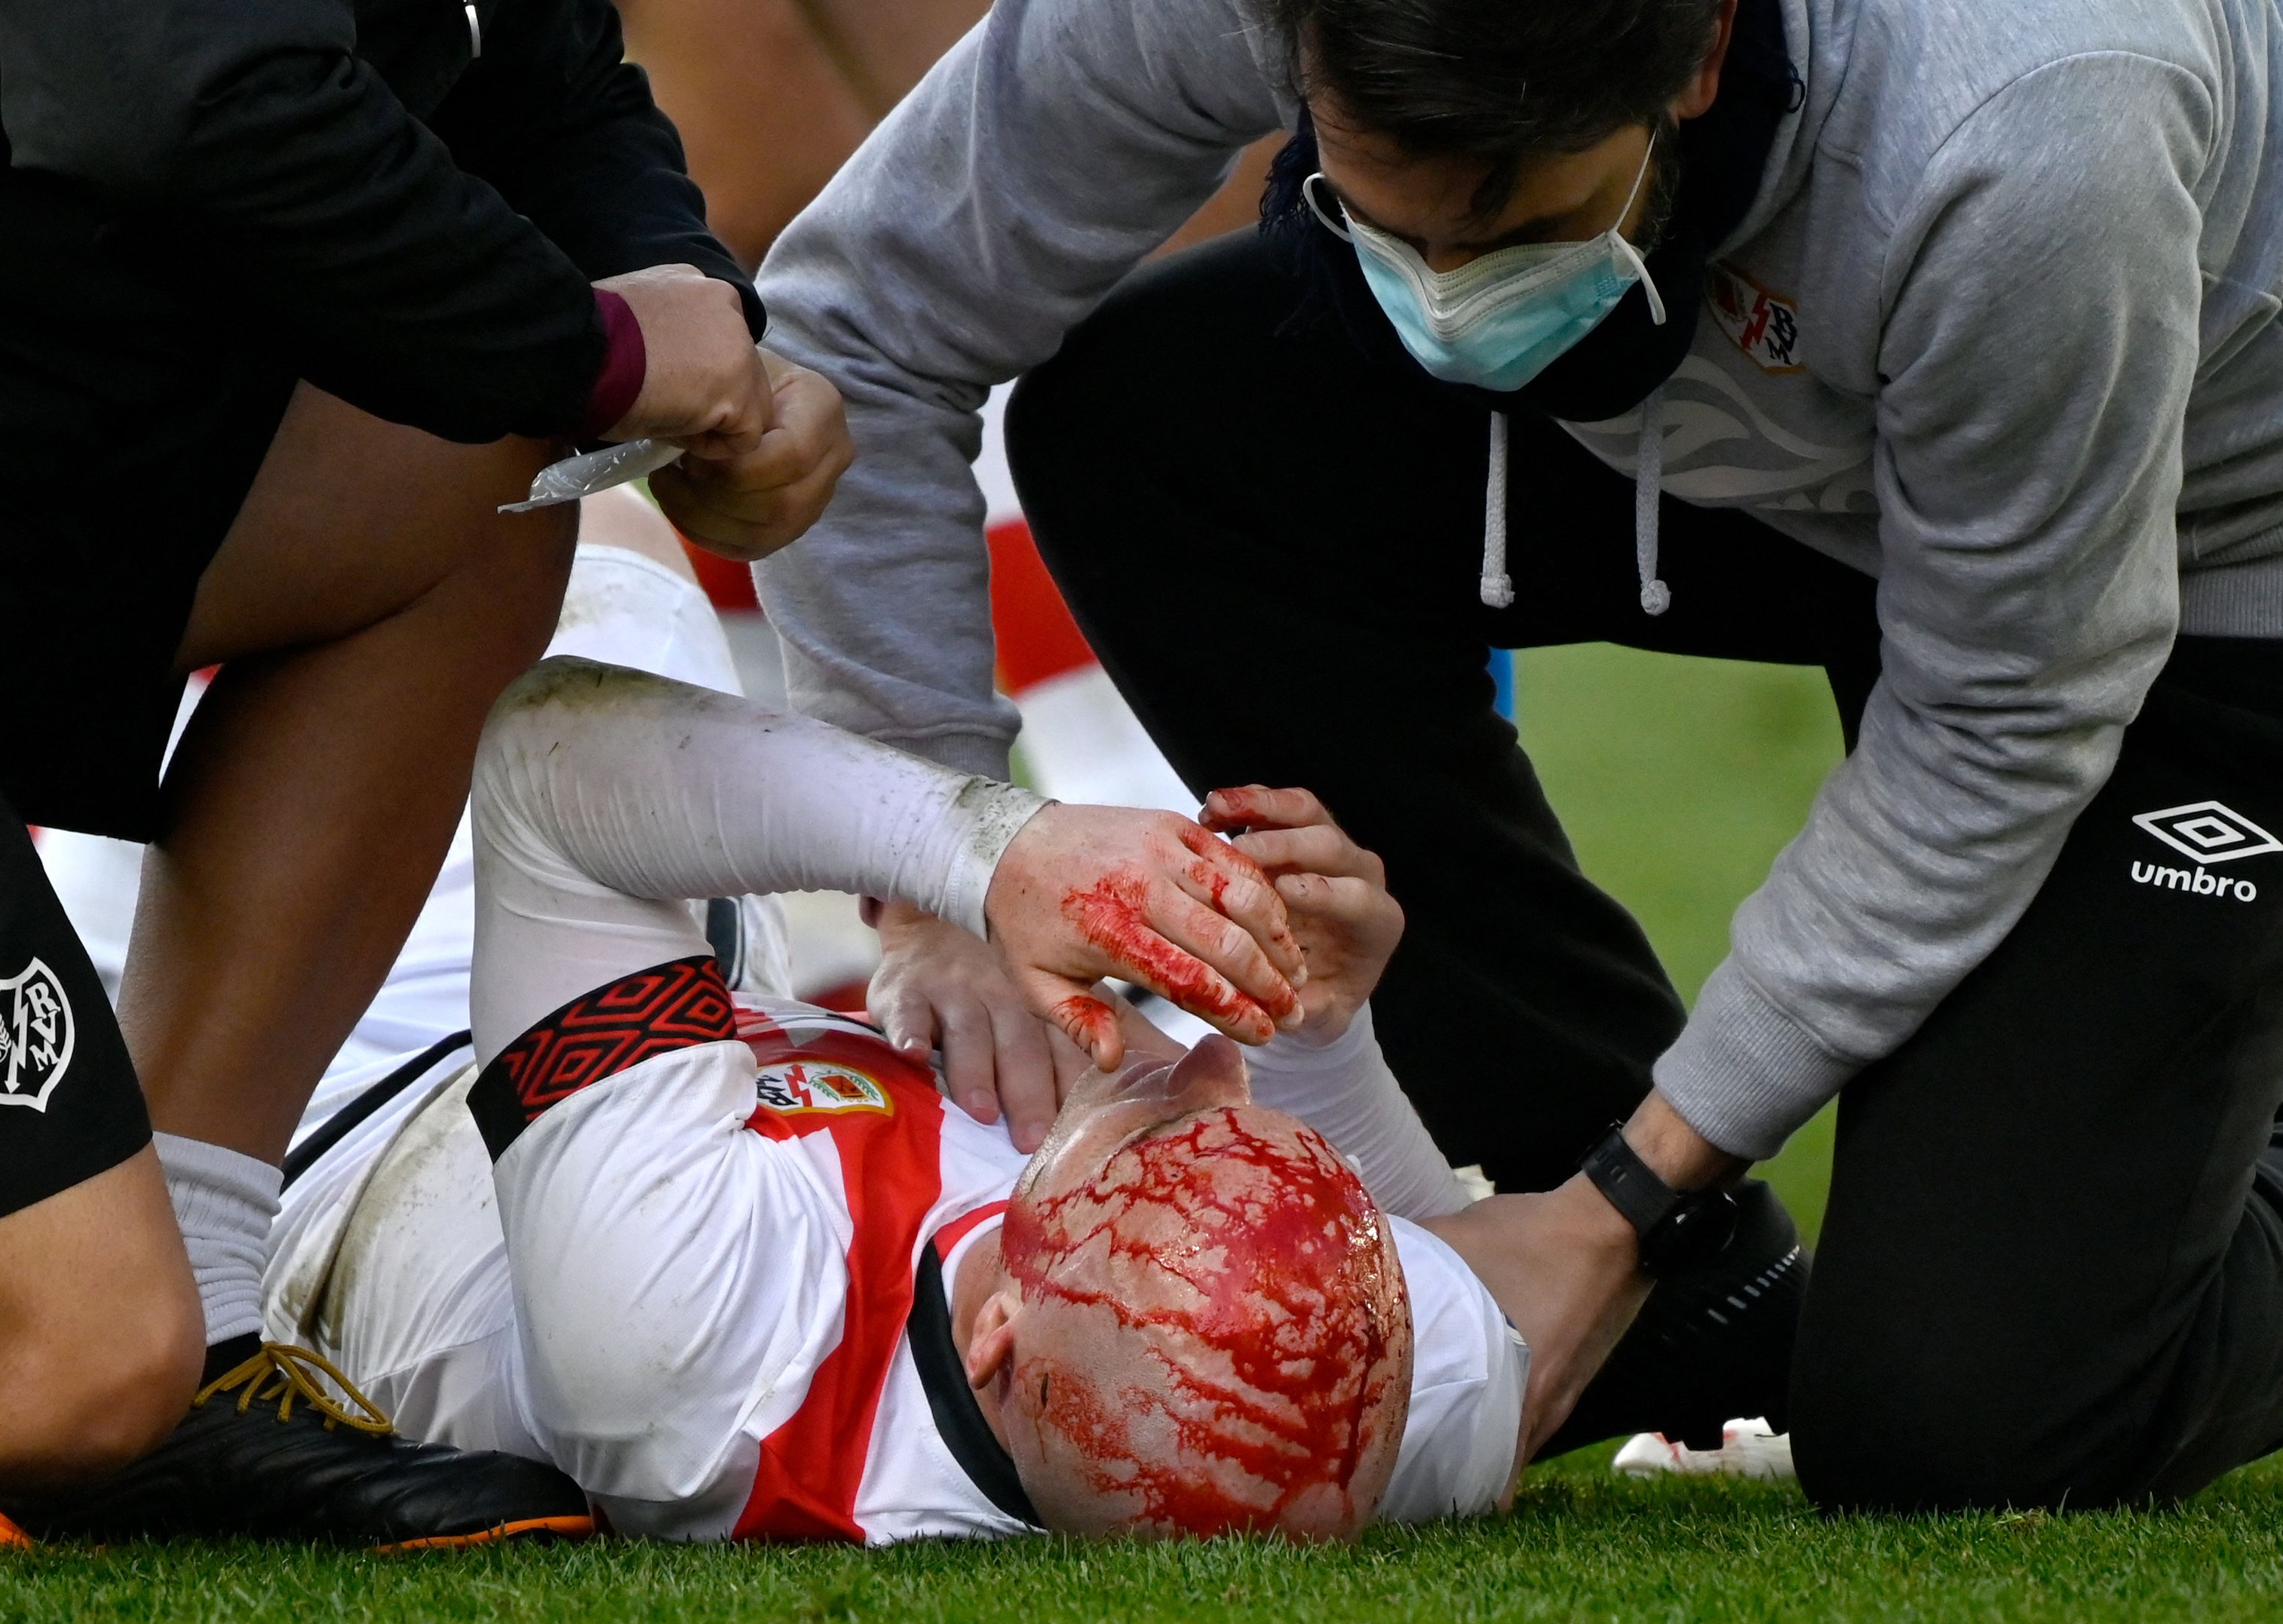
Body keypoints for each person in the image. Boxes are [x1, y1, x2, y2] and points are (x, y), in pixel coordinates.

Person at [751, 0, 2283, 1509]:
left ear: (1694, 56)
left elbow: (2003, 711)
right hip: (1752, 424)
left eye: (1518, 226)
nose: (1449, 291)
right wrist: (937, 862)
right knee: (1153, 428)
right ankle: (1674, 1271)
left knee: (1969, 1427)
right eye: (1392, 222)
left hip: (2182, 519)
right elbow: (861, 325)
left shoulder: (2040, 105)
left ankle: (1627, 1227)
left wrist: (1624, 1198)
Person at [0, 0, 858, 1545]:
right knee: (61, 1358)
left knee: (468, 455)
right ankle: (117, 1330)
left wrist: (686, 317)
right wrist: (606, 357)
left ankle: (205, 1294)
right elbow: (172, 94)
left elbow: (539, 72)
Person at [0, 649, 1801, 1546]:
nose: (1198, 1046)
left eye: (1153, 1106)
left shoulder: (699, 1351)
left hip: (354, 1071)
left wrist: (979, 855)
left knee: (474, 519)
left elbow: (546, 751)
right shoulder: (1328, 1420)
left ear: (997, 1329)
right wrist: (1321, 1025)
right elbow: (1436, 1258)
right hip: (703, 981)